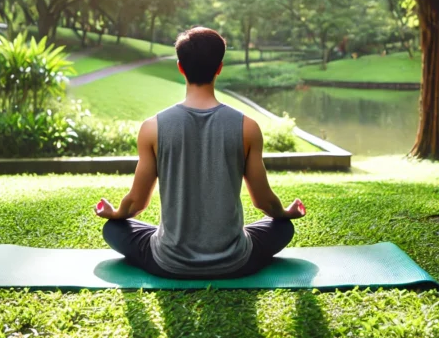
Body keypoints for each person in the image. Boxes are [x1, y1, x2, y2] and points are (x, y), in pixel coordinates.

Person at [94, 26, 306, 279]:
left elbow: (136, 204)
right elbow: (264, 202)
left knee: (113, 229)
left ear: (180, 67)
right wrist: (285, 214)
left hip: (168, 262)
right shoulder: (248, 127)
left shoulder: (152, 128)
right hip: (235, 261)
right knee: (283, 228)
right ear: (219, 67)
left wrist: (115, 214)